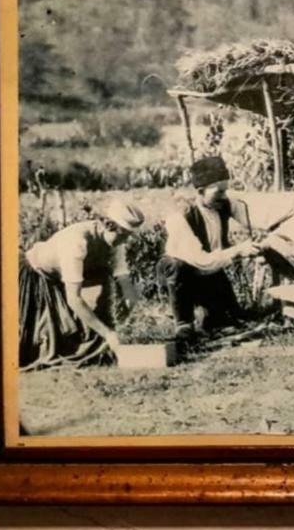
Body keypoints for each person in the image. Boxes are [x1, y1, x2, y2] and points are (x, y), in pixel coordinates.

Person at [19, 198, 145, 370]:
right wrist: (108, 334)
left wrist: (129, 310)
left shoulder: (116, 241)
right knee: (42, 346)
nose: (125, 240)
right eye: (123, 234)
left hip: (60, 279)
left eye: (128, 235)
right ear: (108, 225)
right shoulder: (77, 242)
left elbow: (124, 280)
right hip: (35, 277)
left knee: (78, 339)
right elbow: (74, 299)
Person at [157, 156, 261, 341]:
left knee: (229, 321)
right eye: (218, 192)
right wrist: (238, 250)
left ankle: (213, 320)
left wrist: (263, 235)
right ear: (200, 191)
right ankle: (183, 323)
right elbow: (202, 261)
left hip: (211, 271)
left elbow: (257, 218)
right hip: (184, 274)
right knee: (176, 265)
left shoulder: (223, 203)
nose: (224, 196)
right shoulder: (180, 217)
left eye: (226, 190)